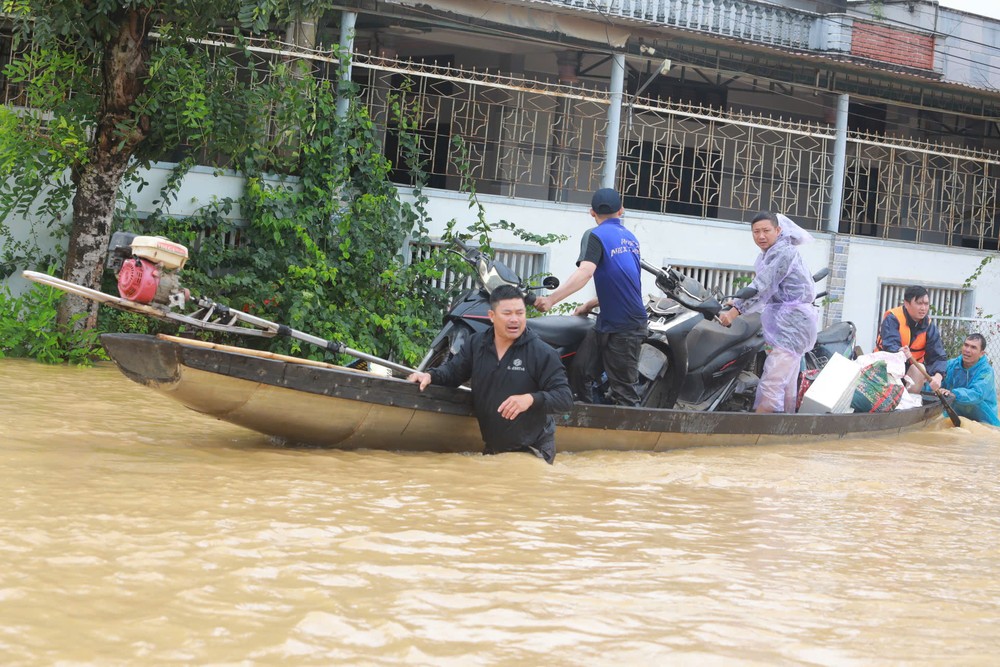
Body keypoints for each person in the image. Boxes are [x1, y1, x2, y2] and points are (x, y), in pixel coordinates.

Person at [407, 284, 573, 463]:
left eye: (520, 313)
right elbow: (453, 373)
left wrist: (530, 399)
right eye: (507, 313)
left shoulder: (542, 353)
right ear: (492, 316)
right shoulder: (476, 344)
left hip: (534, 449)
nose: (515, 320)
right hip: (494, 449)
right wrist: (430, 376)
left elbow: (564, 398)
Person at [533, 188, 647, 407]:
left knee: (624, 391)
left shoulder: (594, 235)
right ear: (621, 211)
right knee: (580, 371)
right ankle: (586, 419)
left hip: (626, 327)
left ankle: (631, 438)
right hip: (609, 321)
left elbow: (585, 272)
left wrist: (550, 300)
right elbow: (623, 282)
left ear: (592, 212)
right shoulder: (630, 238)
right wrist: (589, 304)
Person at [717, 212, 818, 413]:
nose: (761, 236)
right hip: (787, 322)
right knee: (786, 381)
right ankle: (785, 427)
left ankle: (759, 428)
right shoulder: (768, 253)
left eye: (766, 231)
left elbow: (763, 285)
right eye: (756, 232)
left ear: (778, 230)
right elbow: (765, 288)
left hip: (793, 324)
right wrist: (735, 300)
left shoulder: (784, 252)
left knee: (773, 379)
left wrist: (735, 311)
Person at [875, 285, 948, 393]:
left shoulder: (929, 326)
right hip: (886, 367)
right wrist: (902, 352)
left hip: (911, 371)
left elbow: (938, 356)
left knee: (920, 368)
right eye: (919, 303)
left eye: (926, 304)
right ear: (906, 303)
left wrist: (938, 377)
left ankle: (911, 403)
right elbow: (891, 345)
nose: (923, 308)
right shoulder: (893, 318)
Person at [939, 333, 1000, 426]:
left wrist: (954, 394)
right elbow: (936, 384)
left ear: (982, 353)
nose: (967, 350)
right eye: (966, 345)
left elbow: (976, 394)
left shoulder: (986, 371)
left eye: (973, 347)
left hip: (984, 420)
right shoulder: (951, 365)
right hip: (955, 417)